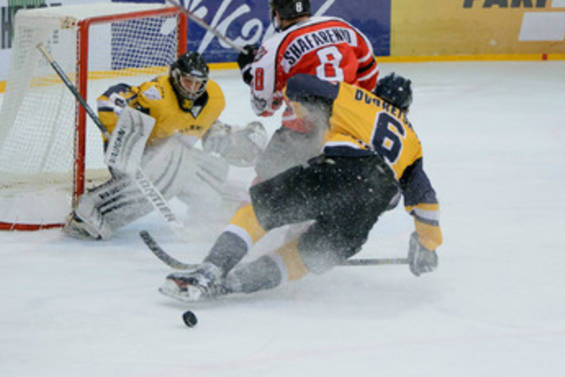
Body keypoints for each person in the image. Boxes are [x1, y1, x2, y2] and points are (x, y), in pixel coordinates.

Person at [159, 72, 442, 302]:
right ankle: (234, 284)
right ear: (406, 109)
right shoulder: (412, 142)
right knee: (302, 256)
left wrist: (301, 106)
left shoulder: (357, 97)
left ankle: (211, 270)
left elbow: (300, 83)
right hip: (367, 209)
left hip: (340, 171)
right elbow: (426, 202)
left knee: (259, 211)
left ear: (376, 93)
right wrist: (426, 246)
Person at [66, 51, 267, 240]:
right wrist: (120, 132)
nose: (192, 89)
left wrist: (230, 140)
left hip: (171, 163)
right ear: (176, 76)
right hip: (132, 159)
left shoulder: (213, 99)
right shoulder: (156, 95)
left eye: (198, 84)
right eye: (188, 81)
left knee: (211, 169)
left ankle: (222, 210)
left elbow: (204, 127)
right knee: (175, 153)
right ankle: (89, 213)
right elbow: (109, 99)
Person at [237, 0, 380, 180]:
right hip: (354, 127)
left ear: (277, 14)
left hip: (302, 134)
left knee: (265, 177)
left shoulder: (273, 47)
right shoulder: (343, 27)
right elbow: (370, 81)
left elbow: (264, 108)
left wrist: (250, 73)